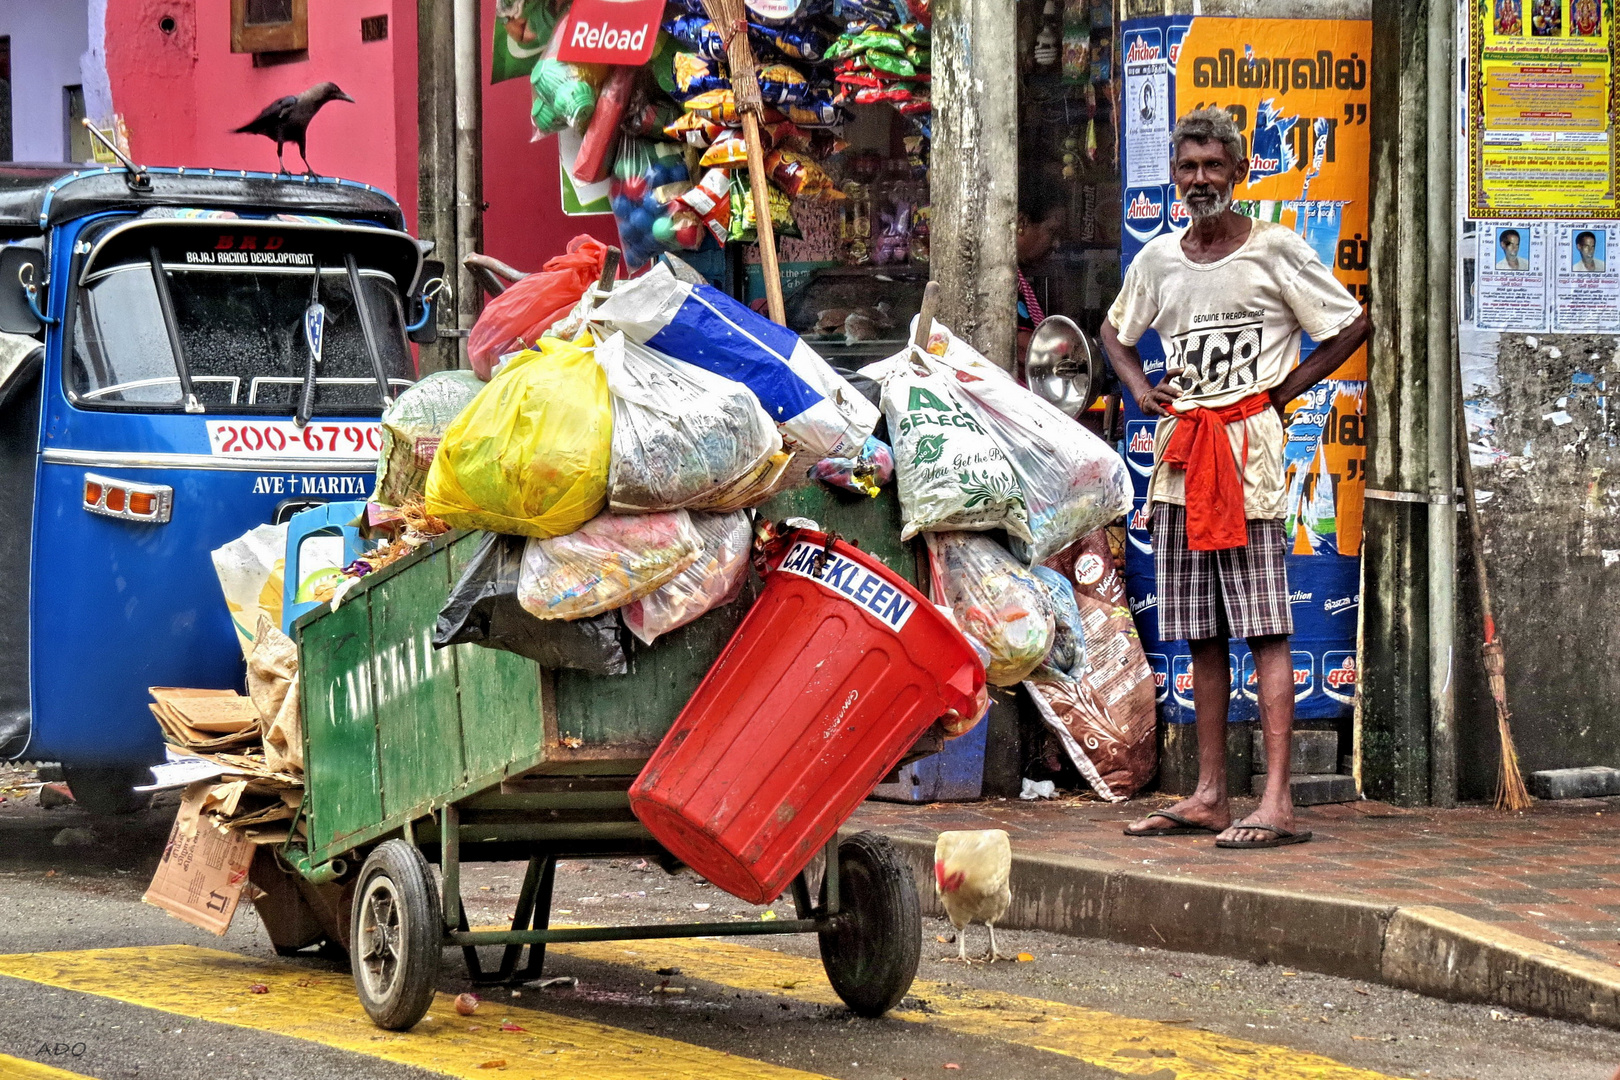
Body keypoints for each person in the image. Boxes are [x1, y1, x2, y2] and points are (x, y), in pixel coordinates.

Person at [1099, 107, 1370, 849]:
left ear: (1240, 173)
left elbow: (1350, 324)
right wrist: (1138, 389)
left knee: (1266, 628)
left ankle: (1276, 801)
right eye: (1187, 168)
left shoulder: (1275, 250)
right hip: (1184, 460)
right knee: (1201, 635)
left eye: (1213, 167)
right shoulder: (1158, 261)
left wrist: (1285, 392)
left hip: (1247, 460)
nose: (1198, 181)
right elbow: (1113, 333)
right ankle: (1211, 794)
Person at [1016, 186, 1064, 363]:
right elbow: (1022, 348)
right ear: (1022, 223)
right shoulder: (1002, 281)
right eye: (1052, 231)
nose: (1056, 244)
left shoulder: (1018, 279)